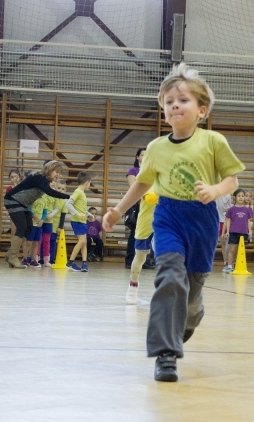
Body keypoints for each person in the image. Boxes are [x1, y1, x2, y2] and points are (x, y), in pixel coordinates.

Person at [102, 62, 244, 382]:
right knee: (169, 275)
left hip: (203, 220)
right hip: (168, 216)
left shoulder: (213, 142)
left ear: (201, 110)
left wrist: (214, 189)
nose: (175, 105)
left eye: (183, 100)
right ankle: (165, 354)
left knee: (191, 298)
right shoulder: (155, 148)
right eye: (169, 102)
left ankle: (188, 319)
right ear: (163, 109)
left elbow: (232, 182)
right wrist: (118, 210)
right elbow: (142, 182)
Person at [3, 161, 70, 269]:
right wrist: (68, 197)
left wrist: (33, 215)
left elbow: (29, 199)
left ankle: (11, 253)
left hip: (22, 203)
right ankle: (13, 256)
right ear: (49, 169)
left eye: (59, 172)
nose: (58, 175)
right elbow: (50, 192)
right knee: (22, 227)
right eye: (56, 172)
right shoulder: (40, 178)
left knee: (29, 228)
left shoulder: (43, 180)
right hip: (12, 200)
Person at [126, 190, 158, 304]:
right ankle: (133, 284)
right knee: (140, 257)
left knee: (167, 256)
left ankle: (166, 290)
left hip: (165, 225)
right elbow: (150, 198)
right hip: (145, 225)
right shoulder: (149, 181)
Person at [66, 172, 93, 272]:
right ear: (86, 182)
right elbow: (68, 204)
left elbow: (81, 208)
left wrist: (88, 214)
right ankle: (70, 262)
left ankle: (84, 263)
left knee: (84, 243)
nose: (89, 185)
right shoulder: (78, 192)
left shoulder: (81, 193)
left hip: (82, 221)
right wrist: (77, 214)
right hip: (77, 221)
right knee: (82, 241)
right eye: (90, 183)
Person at [223, 188, 253, 273]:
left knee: (240, 251)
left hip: (243, 233)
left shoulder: (247, 210)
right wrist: (228, 232)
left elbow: (248, 221)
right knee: (232, 250)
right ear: (235, 197)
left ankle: (239, 266)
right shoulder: (231, 209)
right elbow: (228, 220)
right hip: (233, 232)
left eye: (242, 196)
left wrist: (249, 231)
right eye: (239, 196)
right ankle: (229, 266)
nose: (241, 198)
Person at [125, 148, 145, 268]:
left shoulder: (151, 171)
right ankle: (130, 260)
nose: (144, 157)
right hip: (137, 205)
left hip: (149, 206)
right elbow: (133, 187)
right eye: (142, 154)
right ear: (137, 157)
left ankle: (144, 261)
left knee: (146, 234)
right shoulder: (133, 170)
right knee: (134, 233)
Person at [216, 192, 233, 270]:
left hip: (227, 221)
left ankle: (230, 262)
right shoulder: (217, 195)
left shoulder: (228, 196)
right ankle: (225, 262)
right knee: (222, 243)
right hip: (219, 221)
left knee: (229, 244)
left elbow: (229, 208)